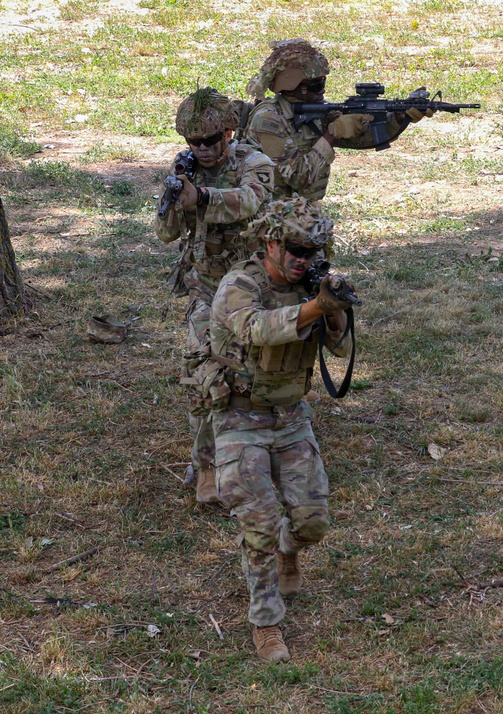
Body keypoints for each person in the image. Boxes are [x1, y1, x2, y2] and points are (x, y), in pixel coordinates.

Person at [208, 196, 354, 662]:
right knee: (261, 524)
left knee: (312, 522)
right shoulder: (238, 285)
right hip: (238, 415)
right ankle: (265, 623)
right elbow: (258, 330)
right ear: (270, 243)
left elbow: (341, 347)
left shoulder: (310, 284)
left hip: (290, 415)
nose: (304, 260)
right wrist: (315, 307)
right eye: (296, 249)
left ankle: (292, 552)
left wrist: (334, 311)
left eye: (314, 252)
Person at [154, 88, 274, 504]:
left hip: (251, 288)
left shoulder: (253, 163)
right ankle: (205, 465)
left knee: (256, 373)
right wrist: (174, 198)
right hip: (206, 287)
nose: (203, 150)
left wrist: (201, 197)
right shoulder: (185, 169)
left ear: (229, 132)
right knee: (201, 374)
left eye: (211, 141)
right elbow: (166, 233)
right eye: (194, 143)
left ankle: (262, 451)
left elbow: (250, 202)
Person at [244, 37, 434, 201]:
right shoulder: (268, 121)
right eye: (316, 85)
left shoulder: (315, 112)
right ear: (293, 86)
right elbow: (298, 178)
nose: (323, 90)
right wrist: (331, 135)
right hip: (268, 213)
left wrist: (401, 116)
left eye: (323, 82)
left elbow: (364, 138)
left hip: (298, 210)